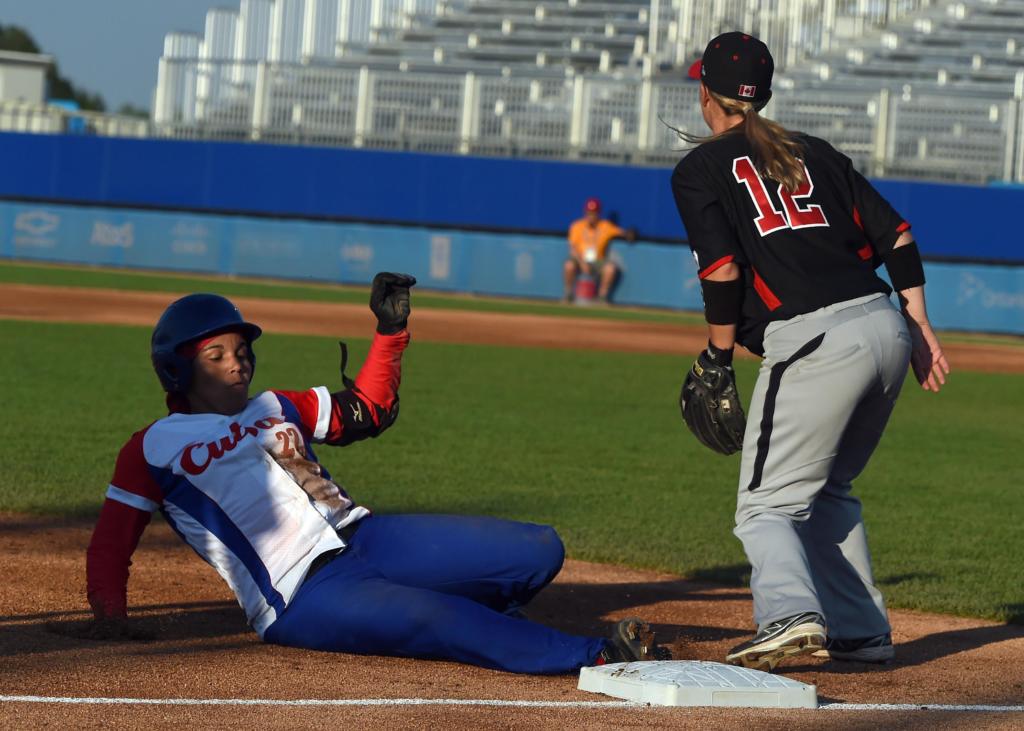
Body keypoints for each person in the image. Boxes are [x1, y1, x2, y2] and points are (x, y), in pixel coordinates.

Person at [84, 272, 670, 673]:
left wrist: (389, 334)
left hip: (368, 537)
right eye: (216, 356)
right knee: (436, 617)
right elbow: (113, 541)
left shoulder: (277, 404)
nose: (236, 365)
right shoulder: (153, 447)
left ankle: (487, 617)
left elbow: (369, 410)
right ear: (176, 372)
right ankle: (596, 656)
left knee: (538, 549)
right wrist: (109, 616)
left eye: (241, 352)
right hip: (302, 593)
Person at [671, 32, 949, 671]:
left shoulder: (700, 168)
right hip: (884, 324)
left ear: (704, 95)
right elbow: (897, 235)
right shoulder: (813, 153)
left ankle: (790, 615)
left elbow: (720, 272)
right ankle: (860, 629)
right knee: (828, 490)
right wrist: (922, 327)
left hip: (815, 338)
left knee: (766, 505)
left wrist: (716, 356)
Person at [564, 197, 635, 304]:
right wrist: (582, 263)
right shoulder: (577, 226)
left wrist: (630, 234)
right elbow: (572, 249)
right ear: (585, 213)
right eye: (589, 213)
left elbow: (623, 233)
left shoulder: (605, 226)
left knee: (610, 268)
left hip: (598, 261)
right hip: (580, 260)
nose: (591, 216)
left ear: (599, 213)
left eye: (594, 213)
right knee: (569, 265)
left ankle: (602, 297)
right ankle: (568, 294)